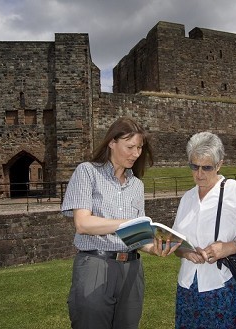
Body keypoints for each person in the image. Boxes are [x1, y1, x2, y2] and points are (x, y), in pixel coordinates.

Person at [61, 116, 178, 329]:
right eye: (130, 146)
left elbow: (136, 238)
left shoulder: (137, 186)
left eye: (140, 147)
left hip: (132, 269)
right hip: (96, 264)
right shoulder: (87, 172)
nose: (136, 153)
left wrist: (154, 248)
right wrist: (127, 222)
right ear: (112, 143)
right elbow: (83, 224)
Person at [172, 131, 236, 329]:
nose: (199, 174)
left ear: (219, 164)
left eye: (207, 167)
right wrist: (185, 252)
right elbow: (175, 242)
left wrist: (229, 247)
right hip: (188, 286)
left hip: (223, 286)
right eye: (194, 166)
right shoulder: (187, 198)